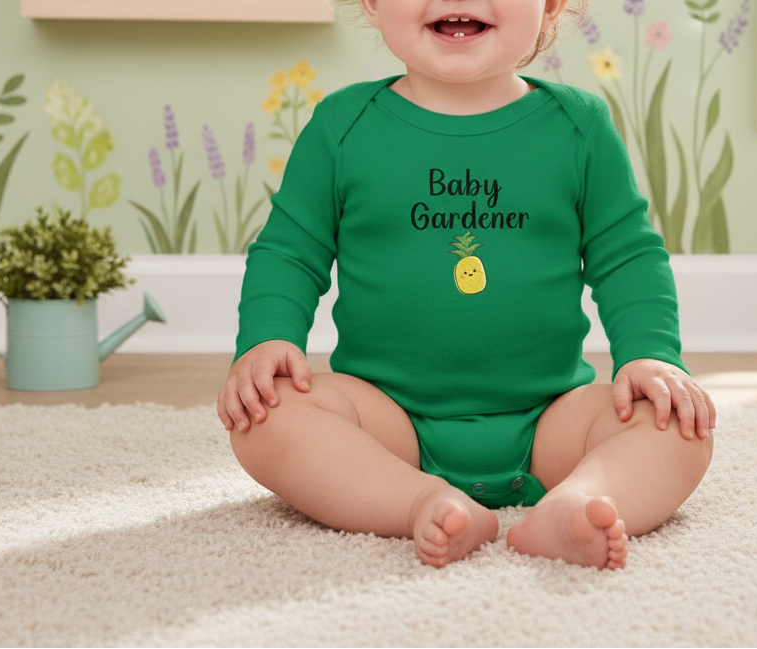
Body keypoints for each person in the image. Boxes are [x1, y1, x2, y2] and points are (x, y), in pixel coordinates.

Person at [217, 0, 716, 570]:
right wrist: (267, 339)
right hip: (385, 421)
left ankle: (576, 503)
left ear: (549, 4)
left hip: (551, 419)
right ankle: (417, 501)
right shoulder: (342, 126)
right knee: (264, 415)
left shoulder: (580, 127)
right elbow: (289, 250)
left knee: (678, 424)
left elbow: (627, 254)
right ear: (373, 4)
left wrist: (650, 356)